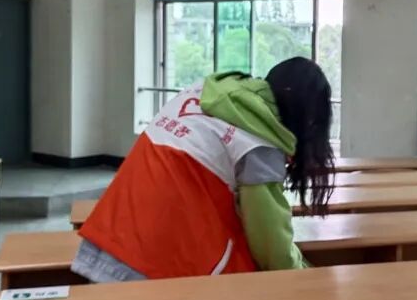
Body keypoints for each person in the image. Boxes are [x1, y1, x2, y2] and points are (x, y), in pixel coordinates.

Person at [73, 57, 335, 282]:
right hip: (150, 263)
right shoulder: (260, 137)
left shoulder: (208, 93)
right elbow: (270, 244)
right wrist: (305, 276)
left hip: (110, 236)